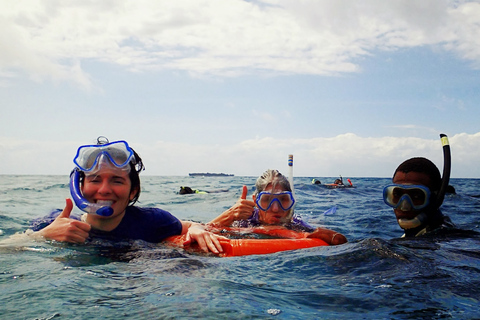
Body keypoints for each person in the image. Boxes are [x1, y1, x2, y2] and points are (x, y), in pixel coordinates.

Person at [28, 137, 225, 254]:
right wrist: (43, 236)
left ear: (133, 191)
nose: (104, 189)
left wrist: (197, 229)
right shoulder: (55, 222)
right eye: (95, 180)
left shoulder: (151, 221)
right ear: (80, 187)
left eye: (117, 180)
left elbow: (190, 225)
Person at [209, 169, 347, 245]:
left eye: (283, 200)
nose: (275, 208)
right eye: (267, 200)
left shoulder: (295, 223)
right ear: (255, 201)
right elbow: (201, 232)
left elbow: (338, 240)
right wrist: (229, 215)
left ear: (291, 201)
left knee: (315, 221)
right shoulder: (243, 220)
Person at [383, 157, 456, 238]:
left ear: (436, 198)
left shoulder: (442, 237)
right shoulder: (413, 236)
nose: (404, 207)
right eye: (397, 195)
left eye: (416, 196)